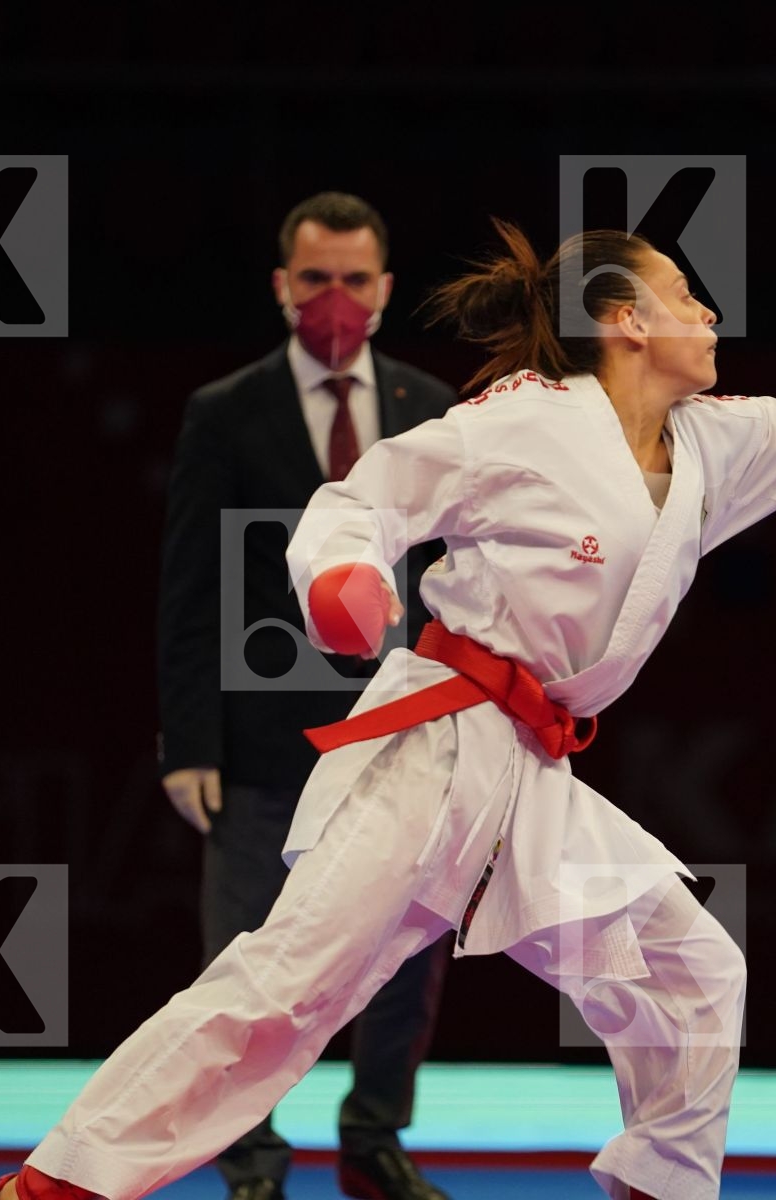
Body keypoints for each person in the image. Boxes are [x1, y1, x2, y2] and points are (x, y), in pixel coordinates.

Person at [0, 218, 776, 1200]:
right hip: (435, 750)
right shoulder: (525, 420)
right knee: (283, 988)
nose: (710, 313)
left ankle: (659, 1188)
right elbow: (364, 497)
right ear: (623, 319)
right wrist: (342, 583)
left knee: (694, 971)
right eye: (686, 294)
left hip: (531, 781)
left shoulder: (709, 449)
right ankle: (55, 1183)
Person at [155, 191, 458, 1200]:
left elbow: (458, 585)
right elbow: (189, 591)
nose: (336, 298)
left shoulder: (430, 410)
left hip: (400, 736)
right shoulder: (225, 412)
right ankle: (251, 1156)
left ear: (384, 291)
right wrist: (188, 741)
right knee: (247, 961)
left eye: (355, 280)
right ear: (284, 286)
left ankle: (374, 1136)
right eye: (316, 279)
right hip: (260, 739)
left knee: (406, 956)